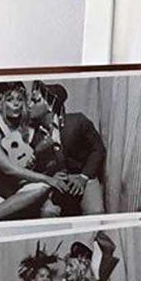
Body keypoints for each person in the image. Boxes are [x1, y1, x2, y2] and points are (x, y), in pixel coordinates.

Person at [0, 82, 66, 221]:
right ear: (0, 104)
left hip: (21, 189)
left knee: (43, 188)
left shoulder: (32, 129)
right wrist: (47, 179)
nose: (16, 104)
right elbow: (8, 168)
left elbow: (44, 163)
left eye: (20, 99)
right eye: (10, 100)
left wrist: (52, 172)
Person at [27, 81, 107, 216]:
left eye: (35, 101)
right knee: (47, 212)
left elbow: (98, 149)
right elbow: (35, 168)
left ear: (50, 106)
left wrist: (83, 177)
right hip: (56, 182)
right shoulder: (33, 134)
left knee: (95, 212)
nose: (29, 105)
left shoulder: (78, 121)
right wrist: (50, 176)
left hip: (84, 176)